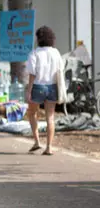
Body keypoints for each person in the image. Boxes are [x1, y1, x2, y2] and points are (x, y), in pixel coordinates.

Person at [26, 26, 63, 156]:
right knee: (50, 117)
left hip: (38, 86)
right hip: (52, 87)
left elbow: (32, 74)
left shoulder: (34, 53)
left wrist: (29, 90)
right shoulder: (56, 52)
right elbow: (60, 69)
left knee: (32, 113)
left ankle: (37, 142)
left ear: (38, 39)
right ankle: (49, 147)